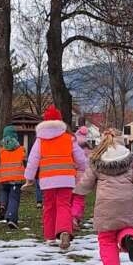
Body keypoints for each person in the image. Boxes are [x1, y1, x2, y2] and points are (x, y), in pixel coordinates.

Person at [75, 132, 133, 265]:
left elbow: (86, 183)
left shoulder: (97, 161)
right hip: (126, 203)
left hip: (105, 204)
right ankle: (128, 238)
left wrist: (76, 193)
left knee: (106, 238)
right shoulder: (130, 160)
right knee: (126, 227)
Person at [23, 105, 90, 251]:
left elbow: (33, 160)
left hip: (47, 180)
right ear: (60, 122)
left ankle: (50, 237)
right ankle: (64, 231)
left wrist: (29, 178)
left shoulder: (40, 140)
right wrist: (84, 168)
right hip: (66, 179)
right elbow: (80, 158)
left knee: (49, 206)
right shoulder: (69, 138)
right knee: (64, 205)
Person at [0, 124, 27, 228]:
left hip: (4, 178)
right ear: (15, 136)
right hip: (17, 179)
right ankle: (12, 219)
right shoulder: (21, 149)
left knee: (4, 192)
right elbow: (26, 162)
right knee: (14, 198)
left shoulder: (0, 150)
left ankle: (2, 206)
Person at [70, 125, 95, 232]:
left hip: (70, 175)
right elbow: (89, 164)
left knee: (69, 198)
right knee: (79, 199)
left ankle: (67, 218)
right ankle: (75, 217)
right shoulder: (88, 149)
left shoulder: (71, 145)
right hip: (82, 177)